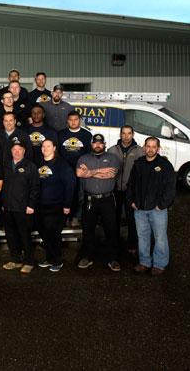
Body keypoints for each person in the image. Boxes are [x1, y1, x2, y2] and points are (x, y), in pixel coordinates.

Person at [126, 137, 176, 276]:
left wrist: (162, 205)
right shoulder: (138, 164)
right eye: (148, 146)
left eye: (154, 147)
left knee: (160, 238)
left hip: (157, 210)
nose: (150, 149)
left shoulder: (165, 165)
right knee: (142, 237)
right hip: (140, 209)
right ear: (144, 147)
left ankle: (159, 264)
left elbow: (170, 188)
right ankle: (144, 262)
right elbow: (131, 184)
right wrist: (131, 201)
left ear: (158, 148)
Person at [76, 133, 122, 272]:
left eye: (100, 143)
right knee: (88, 229)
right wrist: (99, 171)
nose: (98, 145)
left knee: (111, 229)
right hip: (90, 199)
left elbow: (111, 174)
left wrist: (89, 172)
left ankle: (113, 259)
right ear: (91, 144)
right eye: (95, 142)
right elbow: (79, 173)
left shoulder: (113, 158)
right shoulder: (83, 158)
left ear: (104, 144)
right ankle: (87, 257)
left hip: (107, 199)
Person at [1, 140, 40, 275]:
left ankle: (29, 262)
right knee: (11, 236)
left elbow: (35, 187)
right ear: (11, 151)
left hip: (23, 208)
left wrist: (31, 205)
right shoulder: (6, 165)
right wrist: (3, 203)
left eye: (19, 149)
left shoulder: (30, 166)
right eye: (14, 149)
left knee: (24, 236)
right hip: (8, 207)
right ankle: (15, 259)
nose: (17, 152)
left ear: (24, 151)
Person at [36, 139, 75, 272]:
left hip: (56, 206)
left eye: (48, 146)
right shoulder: (39, 163)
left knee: (53, 234)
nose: (45, 148)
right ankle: (49, 258)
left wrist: (67, 205)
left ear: (54, 148)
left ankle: (57, 261)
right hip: (41, 206)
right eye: (43, 146)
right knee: (44, 233)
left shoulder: (61, 164)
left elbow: (70, 185)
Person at [108, 125, 144, 256]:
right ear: (120, 134)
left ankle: (132, 243)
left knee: (131, 218)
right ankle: (114, 242)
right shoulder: (112, 150)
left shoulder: (140, 151)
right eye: (124, 133)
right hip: (115, 189)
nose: (126, 136)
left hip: (131, 191)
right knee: (114, 218)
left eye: (129, 133)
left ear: (133, 135)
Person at [57, 110, 92, 225]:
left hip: (79, 171)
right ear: (67, 121)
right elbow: (57, 152)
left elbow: (89, 154)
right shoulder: (61, 134)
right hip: (64, 170)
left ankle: (76, 217)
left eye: (76, 119)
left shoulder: (87, 135)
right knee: (64, 194)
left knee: (79, 195)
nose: (73, 122)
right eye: (71, 120)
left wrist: (85, 167)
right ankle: (65, 218)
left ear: (80, 120)